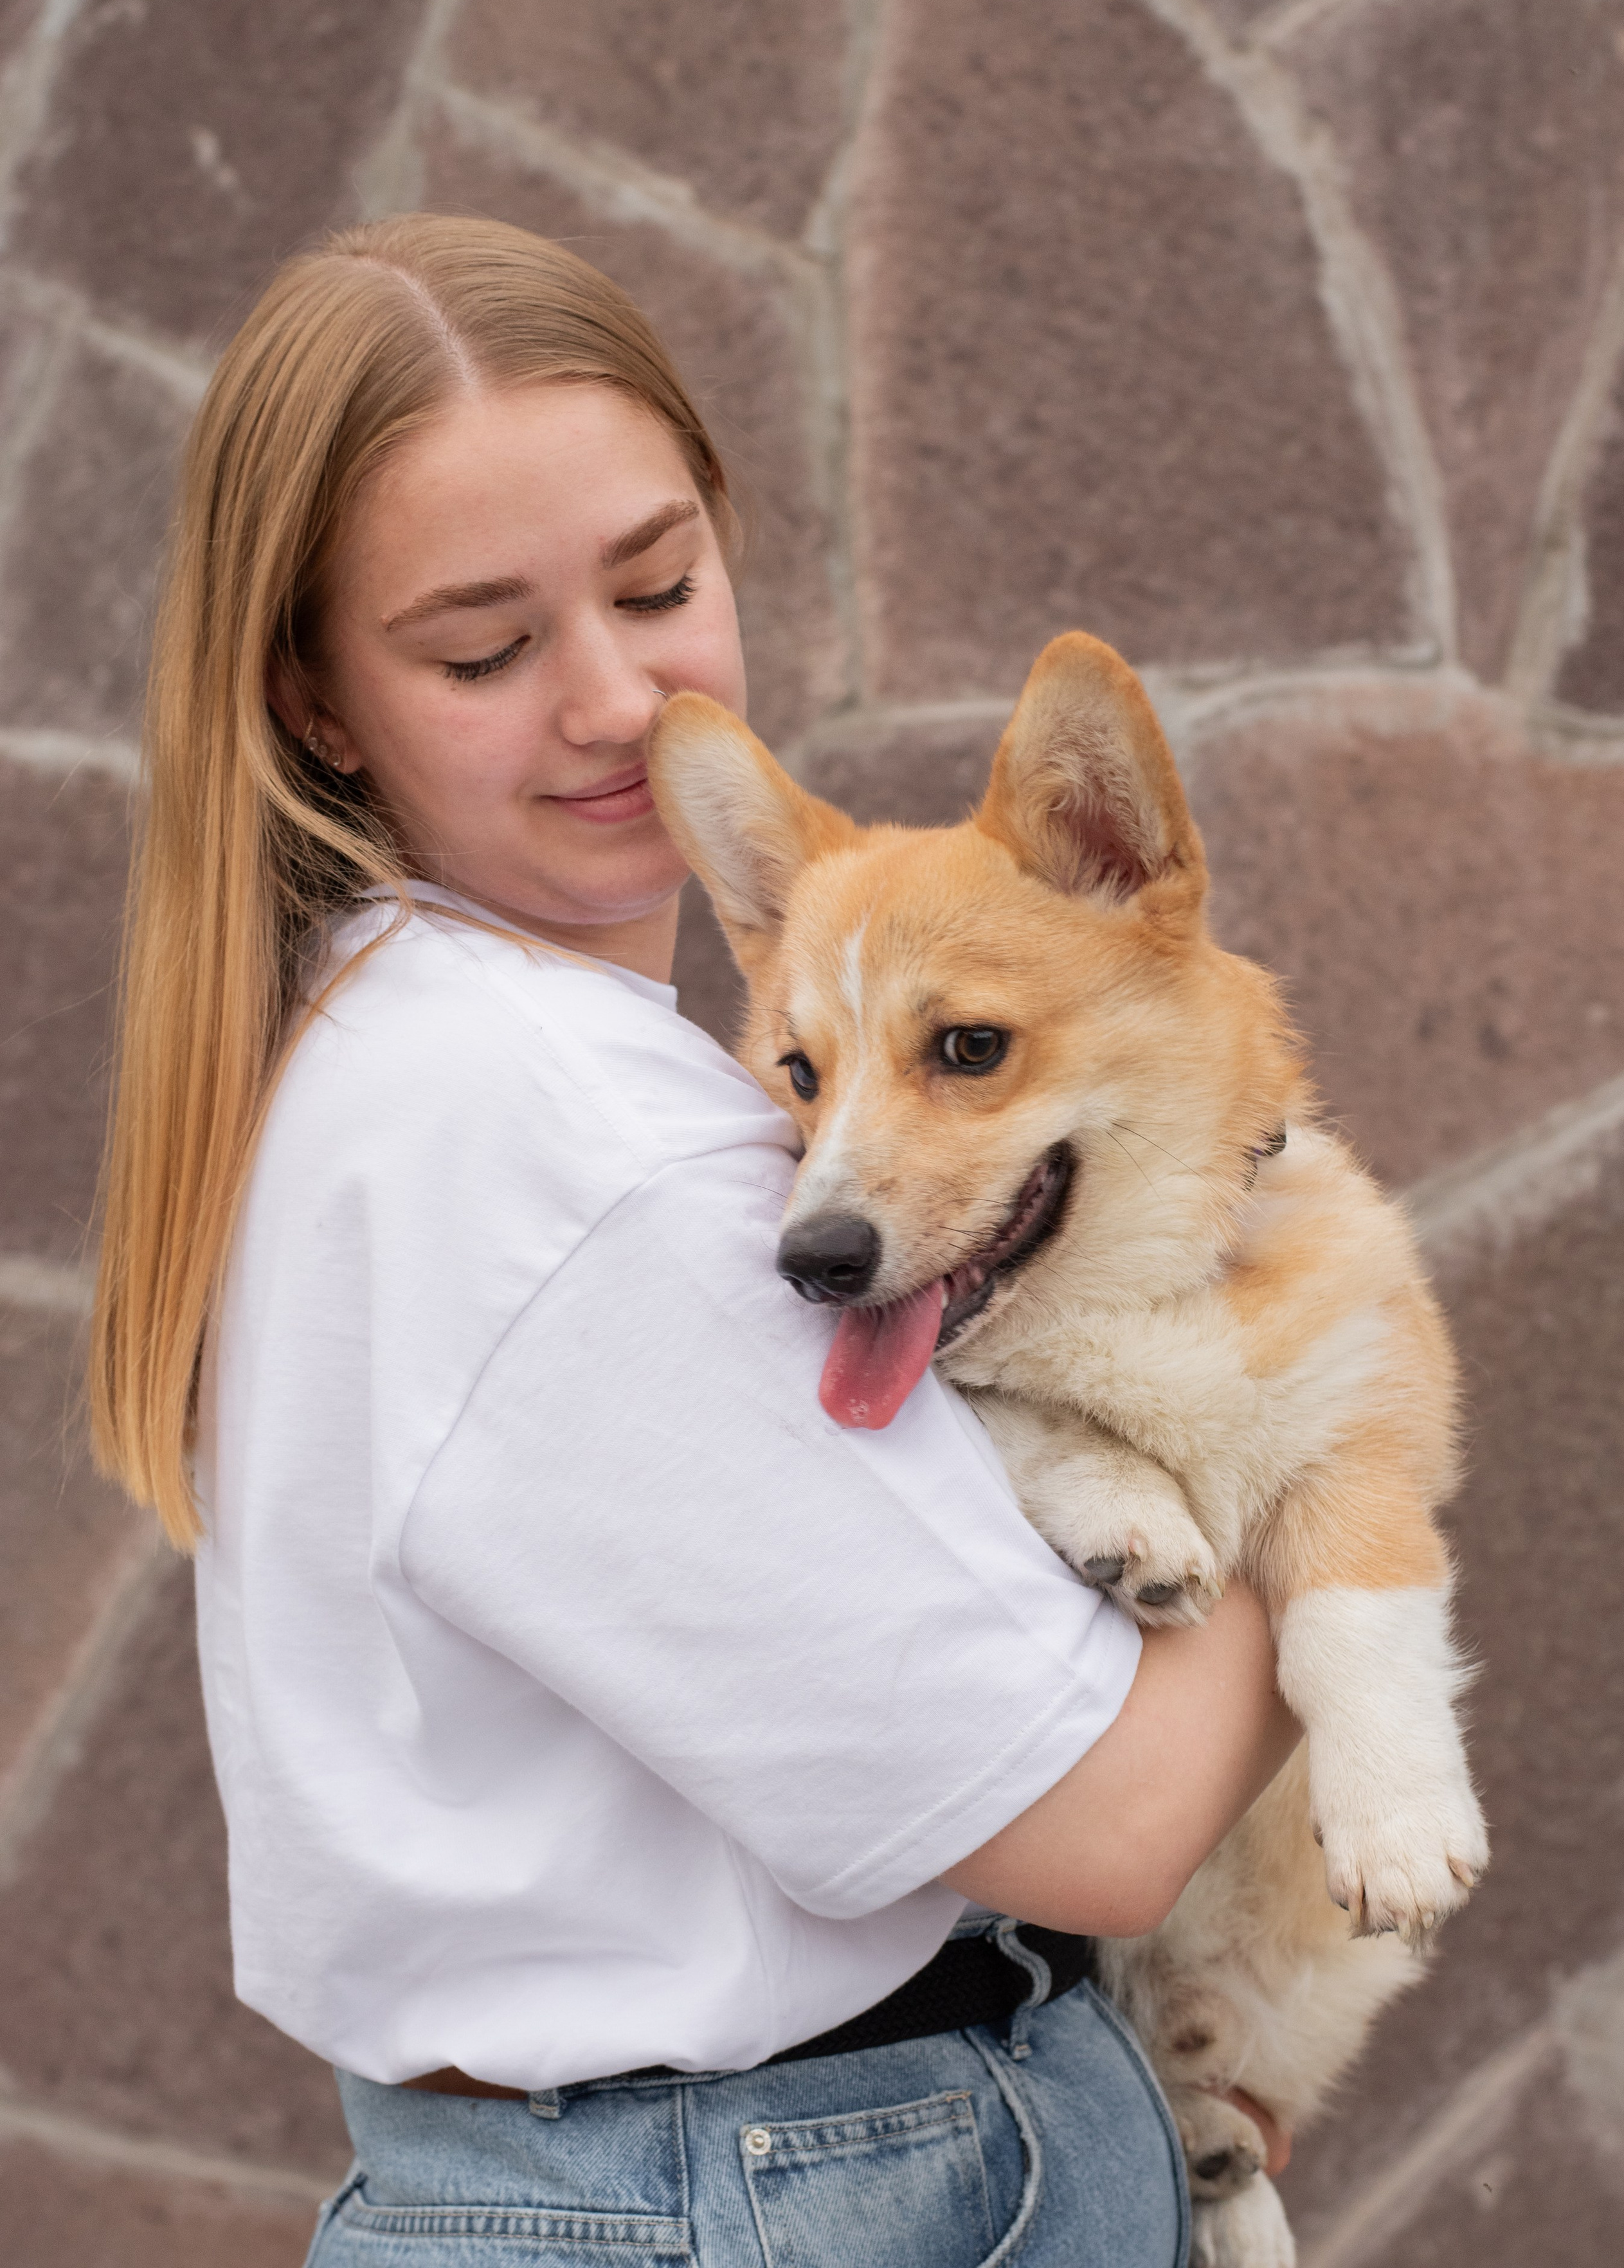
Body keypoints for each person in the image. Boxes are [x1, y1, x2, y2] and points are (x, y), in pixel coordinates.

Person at [91, 215, 1297, 2268]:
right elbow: (1107, 1820)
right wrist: (1340, 1462)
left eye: (660, 583)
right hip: (781, 2189)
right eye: (482, 650)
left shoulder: (391, 1052)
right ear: (313, 700)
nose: (617, 696)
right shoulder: (571, 1142)